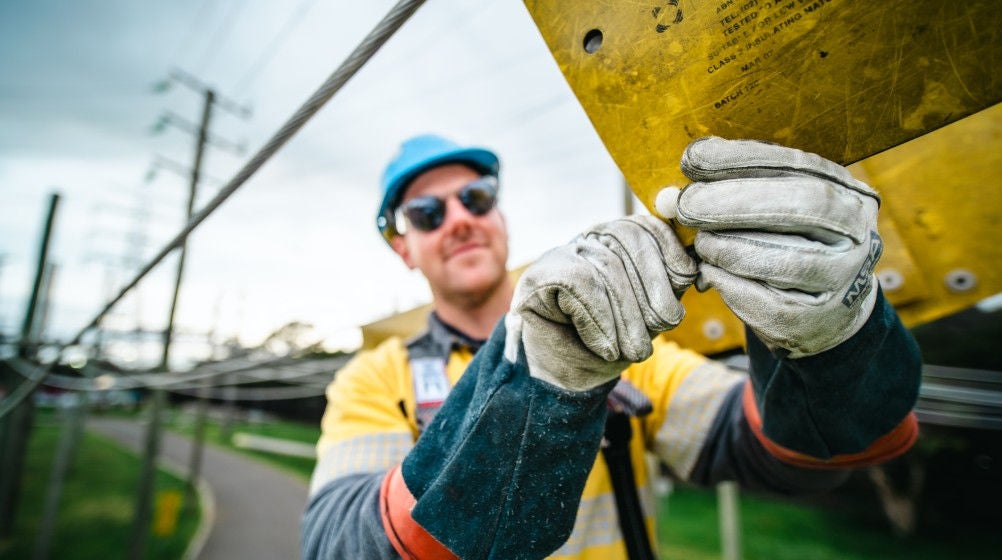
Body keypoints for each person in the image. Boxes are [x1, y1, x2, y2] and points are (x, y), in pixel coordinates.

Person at [301, 134, 921, 560]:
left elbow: (792, 453)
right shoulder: (376, 379)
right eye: (427, 214)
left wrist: (832, 347)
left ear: (500, 215)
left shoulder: (615, 344)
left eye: (477, 197)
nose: (460, 218)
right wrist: (533, 380)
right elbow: (341, 545)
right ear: (402, 247)